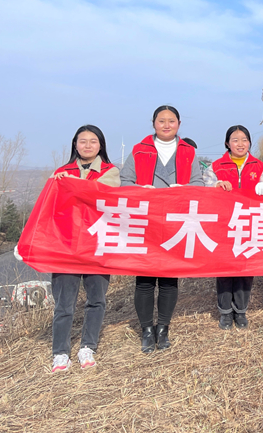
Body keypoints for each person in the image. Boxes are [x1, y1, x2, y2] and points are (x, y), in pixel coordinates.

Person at [120, 105, 205, 353]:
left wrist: (184, 190)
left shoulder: (188, 151)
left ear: (179, 124)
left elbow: (198, 183)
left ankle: (163, 328)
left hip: (176, 222)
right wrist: (139, 191)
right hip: (145, 221)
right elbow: (125, 181)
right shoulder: (139, 150)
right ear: (153, 123)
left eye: (171, 121)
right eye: (161, 121)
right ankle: (147, 329)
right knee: (144, 279)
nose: (166, 125)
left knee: (169, 278)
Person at [47, 125, 120, 373]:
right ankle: (60, 352)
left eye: (93, 141)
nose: (87, 146)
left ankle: (87, 346)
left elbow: (100, 194)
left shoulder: (110, 172)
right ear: (75, 145)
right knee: (63, 303)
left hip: (97, 245)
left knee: (96, 300)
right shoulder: (61, 173)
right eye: (82, 141)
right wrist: (57, 184)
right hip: (66, 246)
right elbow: (50, 206)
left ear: (101, 145)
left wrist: (71, 184)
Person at [203, 125, 263, 330]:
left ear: (250, 143)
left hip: (249, 224)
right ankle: (225, 312)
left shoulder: (259, 166)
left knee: (245, 269)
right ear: (227, 143)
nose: (240, 144)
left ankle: (241, 310)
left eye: (244, 140)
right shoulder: (216, 166)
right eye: (235, 140)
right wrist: (215, 186)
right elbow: (204, 189)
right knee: (225, 269)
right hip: (225, 224)